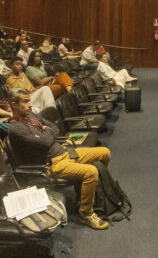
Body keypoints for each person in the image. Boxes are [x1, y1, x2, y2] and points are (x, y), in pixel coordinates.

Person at [7, 88, 111, 230]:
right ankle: (86, 214)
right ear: (14, 104)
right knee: (91, 172)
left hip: (65, 152)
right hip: (52, 165)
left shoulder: (31, 115)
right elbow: (44, 142)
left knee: (105, 153)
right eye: (25, 101)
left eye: (29, 100)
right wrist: (45, 131)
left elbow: (54, 128)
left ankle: (87, 194)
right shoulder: (16, 129)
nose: (30, 105)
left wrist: (45, 132)